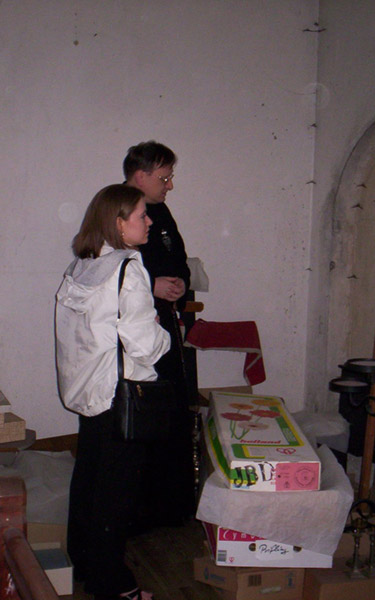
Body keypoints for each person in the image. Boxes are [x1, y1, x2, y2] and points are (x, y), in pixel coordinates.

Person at [55, 184, 170, 600]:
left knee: (88, 483)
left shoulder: (82, 266)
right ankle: (112, 586)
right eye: (142, 214)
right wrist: (166, 337)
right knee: (116, 498)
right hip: (121, 397)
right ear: (119, 223)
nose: (149, 221)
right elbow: (144, 344)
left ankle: (85, 565)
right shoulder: (129, 268)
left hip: (89, 393)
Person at [123, 141, 196, 526]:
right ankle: (142, 512)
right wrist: (151, 287)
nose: (170, 185)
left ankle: (173, 507)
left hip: (164, 325)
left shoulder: (162, 212)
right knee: (145, 415)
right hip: (134, 333)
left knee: (172, 412)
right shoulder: (118, 212)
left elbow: (178, 260)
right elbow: (114, 269)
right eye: (164, 177)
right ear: (141, 176)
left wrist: (180, 284)